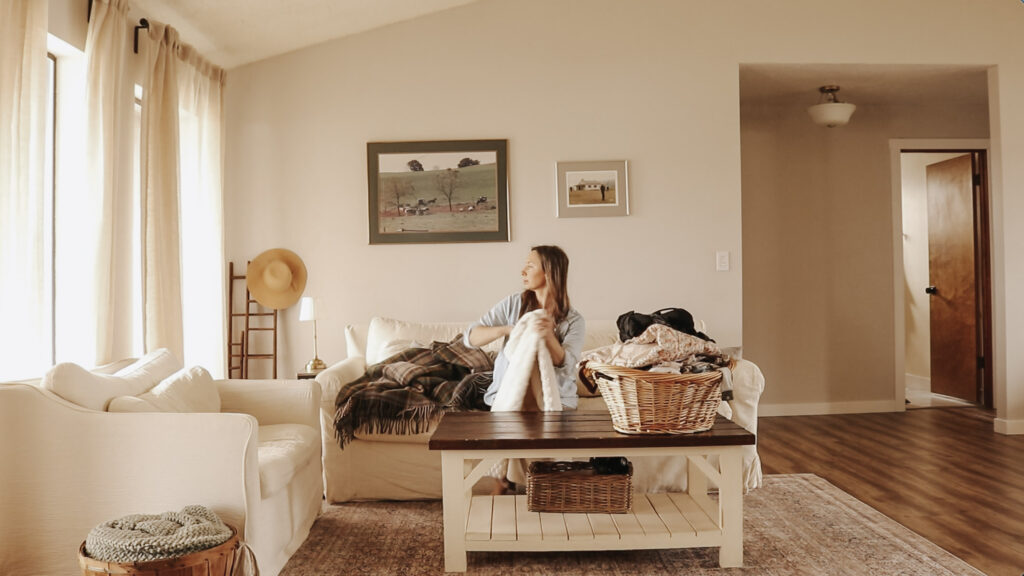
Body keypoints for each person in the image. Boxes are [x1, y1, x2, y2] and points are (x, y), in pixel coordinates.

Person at [465, 245, 586, 410]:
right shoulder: (513, 304)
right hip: (506, 397)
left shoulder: (573, 320)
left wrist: (548, 336)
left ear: (549, 271)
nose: (523, 271)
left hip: (558, 400)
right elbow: (471, 338)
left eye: (530, 266)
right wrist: (508, 330)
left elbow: (566, 364)